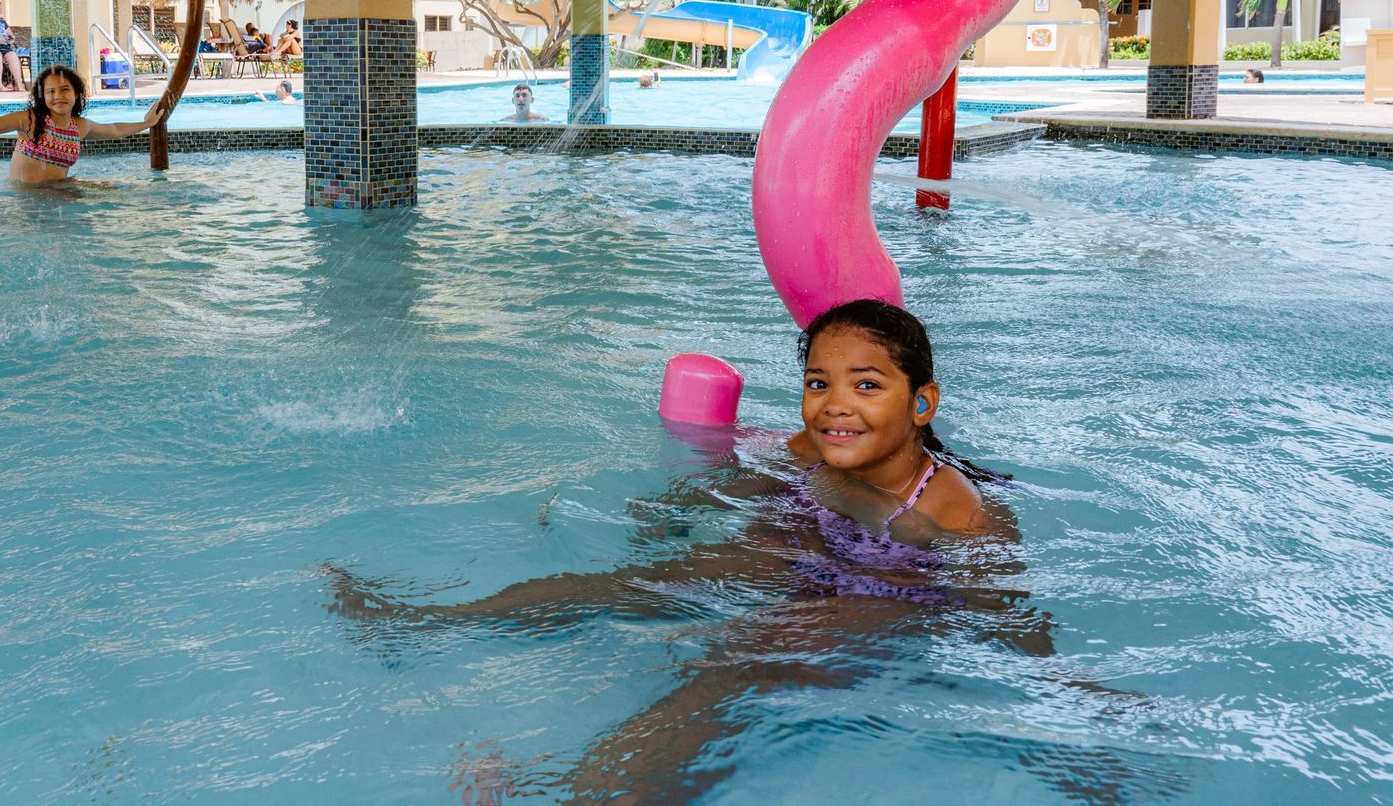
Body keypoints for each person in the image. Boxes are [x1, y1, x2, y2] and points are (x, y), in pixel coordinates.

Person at [329, 300, 1040, 800]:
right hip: (803, 544)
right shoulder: (817, 447)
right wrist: (677, 506)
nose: (835, 403)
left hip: (886, 587)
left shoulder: (959, 508)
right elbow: (755, 477)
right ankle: (424, 624)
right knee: (635, 582)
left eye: (867, 385)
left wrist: (1043, 682)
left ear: (922, 403)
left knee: (734, 668)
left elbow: (1002, 605)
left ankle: (597, 792)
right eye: (818, 383)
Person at [0, 65, 158, 186]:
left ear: (76, 94)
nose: (58, 96)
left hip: (60, 194)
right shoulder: (30, 121)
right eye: (51, 91)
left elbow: (114, 130)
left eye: (65, 90)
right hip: (28, 199)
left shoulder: (79, 126)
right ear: (42, 97)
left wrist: (147, 123)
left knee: (113, 189)